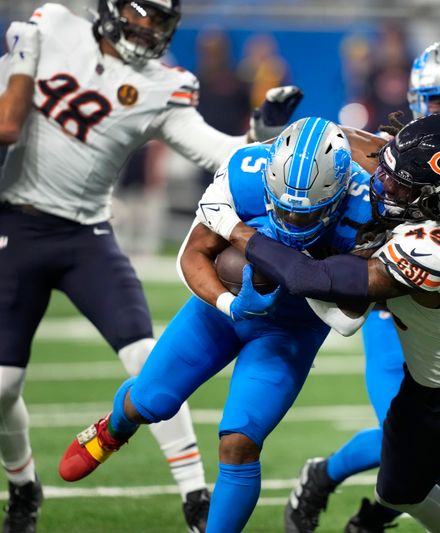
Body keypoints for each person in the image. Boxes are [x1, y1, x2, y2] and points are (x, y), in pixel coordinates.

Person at [0, 2, 294, 530]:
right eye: (145, 16)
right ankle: (23, 482)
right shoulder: (51, 26)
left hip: (87, 234)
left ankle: (194, 496)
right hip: (17, 225)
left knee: (147, 358)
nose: (152, 30)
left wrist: (259, 136)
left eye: (162, 21)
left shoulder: (165, 84)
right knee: (2, 386)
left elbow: (218, 153)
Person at [201, 113, 440, 533]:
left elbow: (311, 279)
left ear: (438, 198)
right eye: (387, 168)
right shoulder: (417, 192)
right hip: (423, 389)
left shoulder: (436, 246)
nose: (382, 183)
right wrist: (273, 148)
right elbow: (347, 138)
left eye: (400, 183)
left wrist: (232, 228)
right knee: (398, 493)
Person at [58, 117, 380, 532]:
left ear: (337, 196)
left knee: (240, 441)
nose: (293, 222)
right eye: (283, 208)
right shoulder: (246, 172)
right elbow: (192, 255)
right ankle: (114, 427)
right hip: (221, 311)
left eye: (307, 215)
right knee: (151, 402)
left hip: (294, 328)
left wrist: (299, 279)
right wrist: (231, 304)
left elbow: (350, 318)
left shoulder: (368, 207)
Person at [283, 39, 440, 533]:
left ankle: (372, 516)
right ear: (417, 99)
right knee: (410, 440)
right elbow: (324, 145)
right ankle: (324, 476)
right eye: (437, 100)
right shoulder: (390, 150)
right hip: (391, 312)